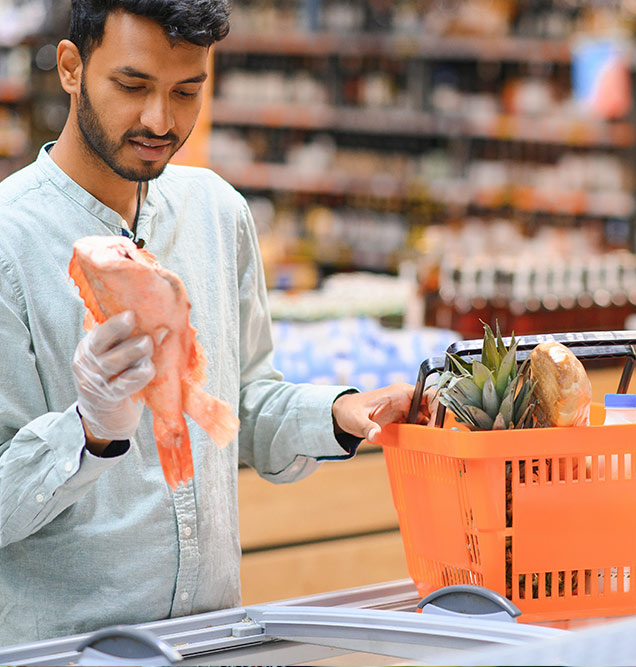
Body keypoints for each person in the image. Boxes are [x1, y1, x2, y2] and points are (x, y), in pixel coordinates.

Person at [0, 0, 430, 645]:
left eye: (186, 91)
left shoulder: (215, 212)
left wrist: (338, 412)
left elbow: (242, 403)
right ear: (71, 67)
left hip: (212, 639)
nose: (159, 120)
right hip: (67, 651)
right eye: (132, 85)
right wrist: (89, 433)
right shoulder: (11, 242)